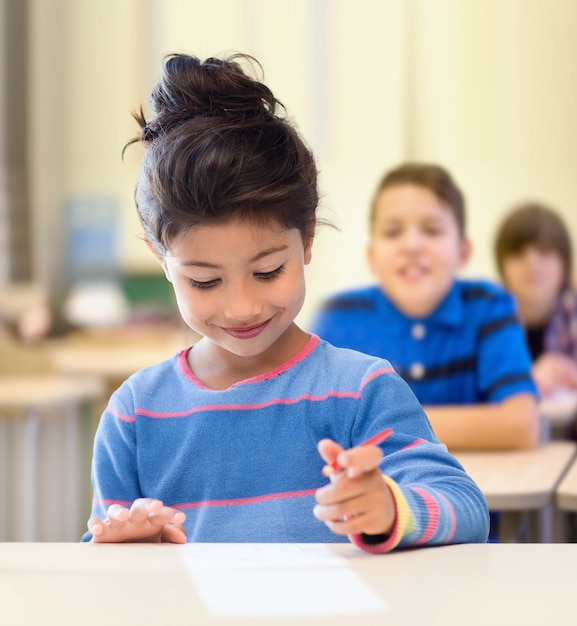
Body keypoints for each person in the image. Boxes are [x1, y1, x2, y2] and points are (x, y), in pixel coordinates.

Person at [83, 54, 488, 550]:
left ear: (308, 236)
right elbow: (100, 560)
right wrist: (129, 553)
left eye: (268, 271)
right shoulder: (135, 414)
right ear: (161, 259)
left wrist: (387, 508)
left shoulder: (359, 391)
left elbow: (465, 506)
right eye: (205, 281)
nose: (242, 306)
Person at [310, 162, 539, 451]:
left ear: (463, 251)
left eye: (432, 230)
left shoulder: (489, 307)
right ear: (372, 256)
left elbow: (520, 426)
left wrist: (372, 424)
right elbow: (313, 426)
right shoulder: (338, 317)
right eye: (393, 232)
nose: (412, 244)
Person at [494, 202, 577, 397]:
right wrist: (528, 381)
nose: (532, 263)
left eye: (545, 251)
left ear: (565, 264)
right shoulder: (488, 317)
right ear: (502, 267)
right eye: (517, 253)